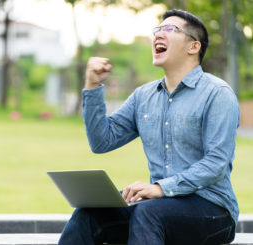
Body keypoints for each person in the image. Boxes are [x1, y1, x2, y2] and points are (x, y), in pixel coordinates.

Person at [58, 9, 239, 245]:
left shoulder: (217, 94)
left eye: (169, 29)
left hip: (213, 211)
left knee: (148, 213)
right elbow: (102, 141)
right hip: (159, 208)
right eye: (157, 30)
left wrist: (160, 188)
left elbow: (216, 162)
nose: (158, 35)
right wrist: (92, 87)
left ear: (193, 47)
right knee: (88, 215)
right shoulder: (143, 96)